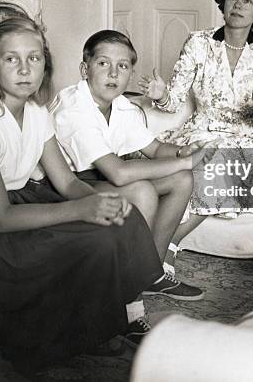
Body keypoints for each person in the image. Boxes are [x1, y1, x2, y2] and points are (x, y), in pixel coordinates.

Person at [0, 17, 163, 371]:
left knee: (123, 217)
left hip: (21, 203)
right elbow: (2, 218)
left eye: (35, 58)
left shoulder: (37, 113)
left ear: (46, 65)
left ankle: (103, 322)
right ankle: (56, 336)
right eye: (12, 59)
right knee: (91, 240)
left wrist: (96, 201)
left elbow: (67, 183)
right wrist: (81, 211)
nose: (25, 69)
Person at [138, 0, 253, 252]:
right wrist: (161, 94)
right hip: (201, 130)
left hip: (244, 137)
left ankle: (163, 247)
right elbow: (174, 98)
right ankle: (160, 250)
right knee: (200, 165)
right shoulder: (199, 42)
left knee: (220, 167)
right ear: (223, 3)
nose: (238, 4)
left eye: (248, 0)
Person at [50, 30, 206, 306]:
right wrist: (184, 161)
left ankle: (151, 274)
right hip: (64, 186)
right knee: (143, 190)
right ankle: (130, 299)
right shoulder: (73, 107)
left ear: (131, 75)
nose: (113, 73)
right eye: (103, 64)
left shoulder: (122, 107)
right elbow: (118, 173)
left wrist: (183, 152)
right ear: (84, 69)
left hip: (101, 177)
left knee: (181, 179)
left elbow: (155, 149)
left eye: (122, 66)